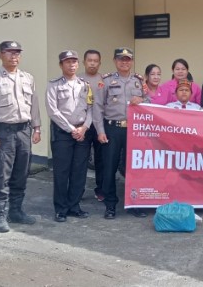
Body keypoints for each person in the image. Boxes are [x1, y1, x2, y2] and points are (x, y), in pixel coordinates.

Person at [0, 41, 41, 233]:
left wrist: (37, 128)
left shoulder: (27, 78)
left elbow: (34, 105)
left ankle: (16, 211)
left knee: (21, 173)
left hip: (24, 131)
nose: (14, 56)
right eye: (9, 53)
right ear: (0, 55)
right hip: (3, 132)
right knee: (1, 175)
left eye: (17, 53)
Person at [92, 47, 148, 219]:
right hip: (112, 128)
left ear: (131, 61)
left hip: (134, 130)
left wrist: (143, 99)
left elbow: (150, 101)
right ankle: (110, 205)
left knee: (133, 168)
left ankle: (134, 204)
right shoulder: (106, 80)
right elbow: (98, 107)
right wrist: (100, 131)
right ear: (115, 61)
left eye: (128, 59)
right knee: (109, 167)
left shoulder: (139, 81)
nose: (125, 62)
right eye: (121, 59)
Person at [45, 50, 93, 222]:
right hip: (62, 134)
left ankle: (74, 206)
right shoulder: (54, 85)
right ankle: (61, 208)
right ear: (61, 65)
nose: (71, 65)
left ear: (78, 64)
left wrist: (85, 128)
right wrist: (72, 128)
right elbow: (53, 111)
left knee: (79, 172)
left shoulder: (85, 85)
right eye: (67, 62)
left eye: (74, 62)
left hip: (82, 133)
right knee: (62, 172)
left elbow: (90, 108)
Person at [79, 49, 105, 202]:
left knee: (101, 160)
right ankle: (78, 190)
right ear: (84, 62)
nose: (93, 63)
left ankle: (100, 190)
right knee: (81, 159)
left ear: (99, 63)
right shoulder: (77, 79)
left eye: (96, 61)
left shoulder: (105, 79)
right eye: (90, 60)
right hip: (83, 126)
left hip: (100, 125)